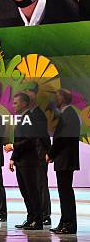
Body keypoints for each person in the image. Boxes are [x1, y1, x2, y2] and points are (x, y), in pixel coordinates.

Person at [4, 93, 42, 230]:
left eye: (16, 103)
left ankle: (37, 220)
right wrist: (13, 158)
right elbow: (20, 140)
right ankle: (30, 218)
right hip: (21, 161)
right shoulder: (22, 118)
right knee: (25, 192)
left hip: (28, 161)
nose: (13, 105)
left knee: (32, 191)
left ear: (24, 103)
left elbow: (30, 140)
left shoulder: (30, 118)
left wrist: (12, 147)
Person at [47, 89, 80, 235]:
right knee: (64, 193)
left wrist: (51, 153)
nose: (55, 98)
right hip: (64, 159)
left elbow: (62, 139)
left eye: (58, 96)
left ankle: (69, 224)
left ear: (64, 98)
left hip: (65, 159)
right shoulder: (68, 113)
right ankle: (64, 222)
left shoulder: (69, 114)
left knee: (66, 193)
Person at [27, 87, 51, 225]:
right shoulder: (29, 114)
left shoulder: (38, 114)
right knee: (34, 186)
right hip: (32, 156)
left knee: (41, 185)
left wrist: (49, 152)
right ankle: (36, 215)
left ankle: (45, 215)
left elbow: (42, 135)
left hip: (39, 155)